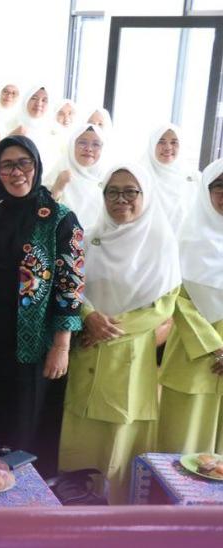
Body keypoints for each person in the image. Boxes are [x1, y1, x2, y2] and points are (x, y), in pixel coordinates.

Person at [0, 135, 85, 478]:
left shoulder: (60, 219)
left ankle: (24, 498)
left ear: (36, 166)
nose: (16, 172)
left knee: (24, 427)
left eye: (24, 163)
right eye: (7, 165)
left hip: (33, 347)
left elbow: (70, 287)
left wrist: (62, 346)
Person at [60, 163, 181, 504]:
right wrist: (88, 316)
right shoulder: (89, 238)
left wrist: (108, 329)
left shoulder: (161, 242)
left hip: (129, 356)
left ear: (146, 194)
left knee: (117, 440)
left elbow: (164, 305)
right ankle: (70, 513)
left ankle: (112, 517)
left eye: (130, 191)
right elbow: (71, 285)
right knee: (78, 439)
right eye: (112, 192)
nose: (120, 199)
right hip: (85, 350)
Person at [158, 158, 223, 453]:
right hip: (192, 354)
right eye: (218, 186)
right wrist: (215, 347)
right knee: (181, 447)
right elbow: (177, 299)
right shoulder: (185, 239)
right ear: (205, 190)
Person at [47, 124, 107, 230]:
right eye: (82, 143)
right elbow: (42, 213)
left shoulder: (108, 179)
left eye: (96, 144)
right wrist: (57, 188)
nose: (88, 149)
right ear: (72, 145)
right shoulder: (59, 171)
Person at [143, 124, 201, 232]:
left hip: (185, 239)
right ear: (152, 144)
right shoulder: (139, 176)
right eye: (161, 141)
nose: (168, 148)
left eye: (174, 142)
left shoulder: (194, 178)